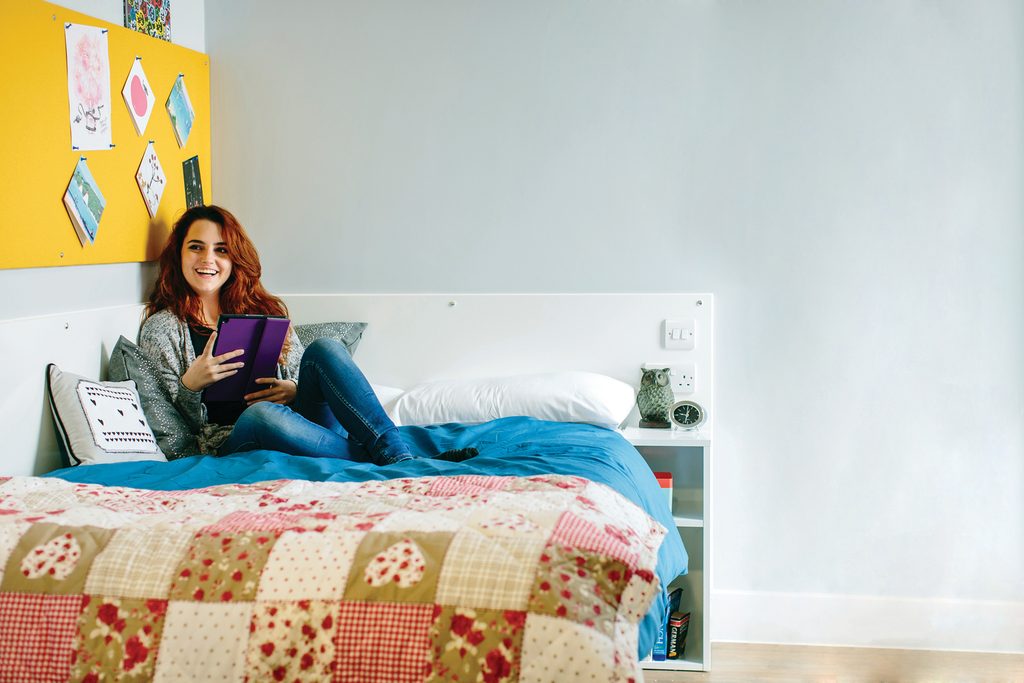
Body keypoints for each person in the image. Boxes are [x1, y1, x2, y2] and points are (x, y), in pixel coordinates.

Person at [140, 205, 475, 464]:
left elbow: (303, 371)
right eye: (196, 247)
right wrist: (190, 386)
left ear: (234, 258)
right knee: (261, 415)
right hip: (237, 437)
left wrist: (293, 390)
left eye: (221, 250)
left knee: (326, 348)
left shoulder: (265, 310)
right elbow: (174, 436)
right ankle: (400, 460)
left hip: (301, 422)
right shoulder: (163, 329)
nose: (208, 259)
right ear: (179, 255)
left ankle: (397, 457)